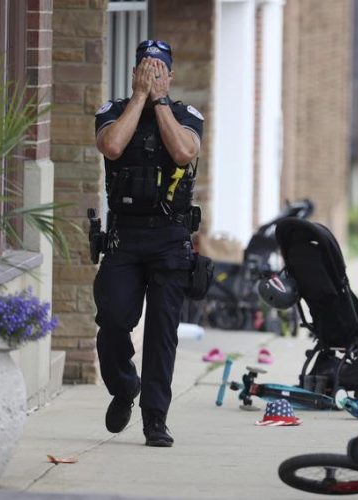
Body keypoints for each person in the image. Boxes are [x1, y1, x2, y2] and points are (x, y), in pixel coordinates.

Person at [93, 39, 204, 447]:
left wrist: (158, 102)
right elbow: (113, 146)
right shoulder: (112, 111)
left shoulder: (185, 115)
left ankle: (155, 418)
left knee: (162, 333)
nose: (153, 73)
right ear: (135, 72)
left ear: (171, 76)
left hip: (170, 239)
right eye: (146, 67)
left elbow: (181, 152)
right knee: (113, 321)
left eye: (160, 69)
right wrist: (140, 97)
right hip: (125, 236)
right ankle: (124, 388)